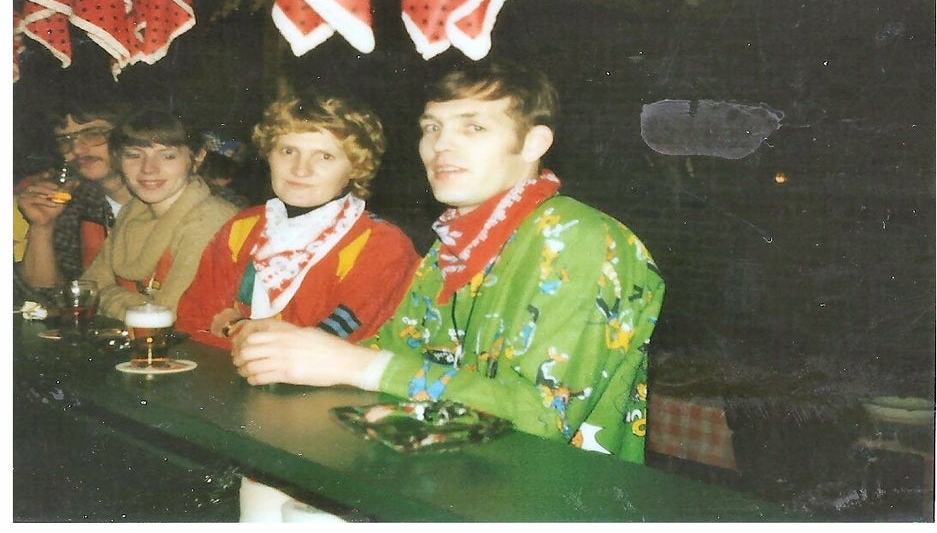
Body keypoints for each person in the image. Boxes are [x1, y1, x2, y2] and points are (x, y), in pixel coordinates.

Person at [231, 59, 666, 465]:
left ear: (534, 142)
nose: (441, 145)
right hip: (451, 478)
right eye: (432, 127)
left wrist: (354, 365)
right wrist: (298, 348)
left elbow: (543, 416)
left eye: (473, 127)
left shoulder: (583, 240)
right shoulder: (453, 244)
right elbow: (395, 352)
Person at [176, 91, 419, 350]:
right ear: (269, 155)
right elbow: (193, 319)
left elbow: (327, 348)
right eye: (288, 151)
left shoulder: (382, 245)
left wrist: (234, 327)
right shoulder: (243, 227)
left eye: (324, 156)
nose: (300, 169)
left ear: (356, 167)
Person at [80, 109, 239, 320]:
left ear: (198, 157)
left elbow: (169, 315)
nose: (148, 169)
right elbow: (90, 291)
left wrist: (110, 298)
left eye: (167, 156)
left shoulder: (212, 220)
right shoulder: (132, 212)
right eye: (134, 155)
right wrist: (131, 304)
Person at [14, 100, 133, 300]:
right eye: (65, 140)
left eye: (93, 134)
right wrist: (42, 226)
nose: (76, 149)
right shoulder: (78, 202)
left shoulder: (164, 199)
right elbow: (42, 298)